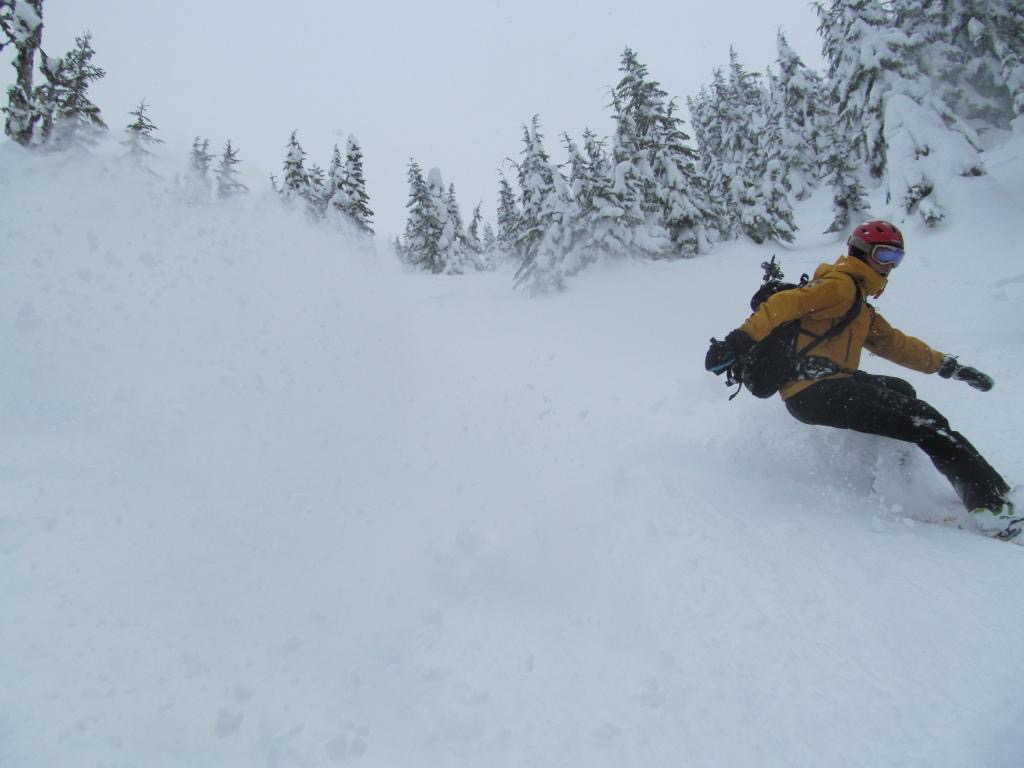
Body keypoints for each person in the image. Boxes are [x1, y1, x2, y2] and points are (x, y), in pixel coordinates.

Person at [705, 220, 1021, 540]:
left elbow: (895, 344)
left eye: (897, 259)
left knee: (902, 392)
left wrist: (948, 367)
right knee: (927, 421)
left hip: (829, 384)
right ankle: (995, 510)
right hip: (815, 390)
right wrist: (736, 342)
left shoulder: (858, 303)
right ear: (861, 252)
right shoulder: (839, 286)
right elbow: (784, 305)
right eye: (884, 256)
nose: (890, 267)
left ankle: (896, 479)